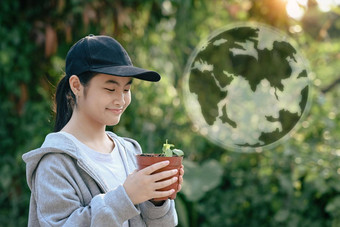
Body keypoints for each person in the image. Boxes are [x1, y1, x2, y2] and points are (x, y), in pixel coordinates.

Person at [22, 34, 184, 227]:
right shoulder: (54, 163)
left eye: (126, 90)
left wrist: (157, 198)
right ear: (76, 86)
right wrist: (126, 197)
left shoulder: (130, 151)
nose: (121, 100)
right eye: (110, 89)